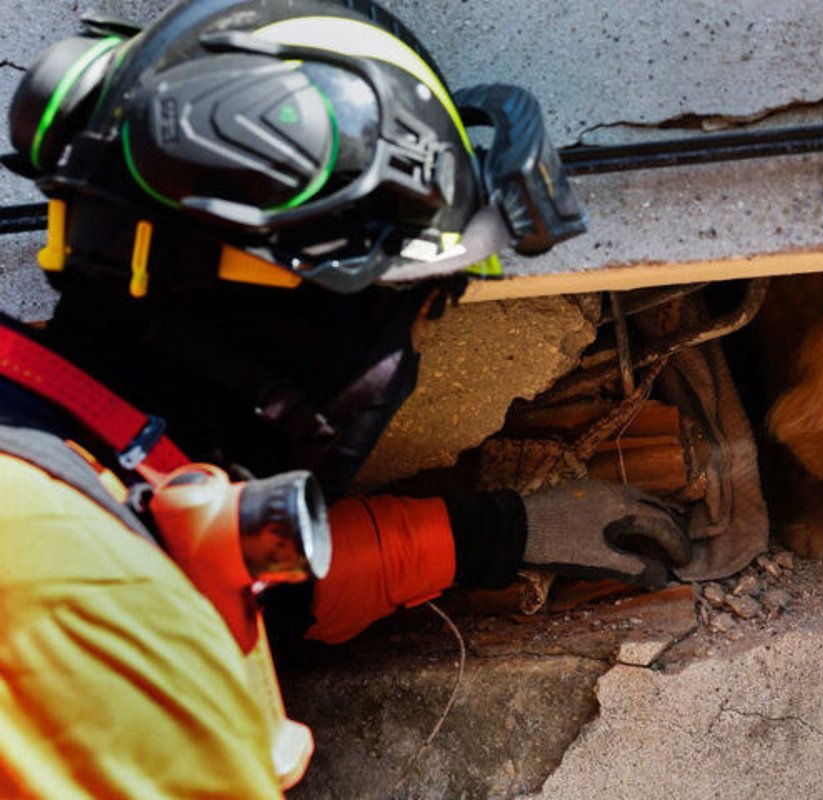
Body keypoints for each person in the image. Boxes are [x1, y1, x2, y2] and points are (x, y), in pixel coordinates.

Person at [0, 1, 691, 796]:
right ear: (321, 324)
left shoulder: (68, 475)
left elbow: (252, 580)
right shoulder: (95, 618)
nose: (411, 364)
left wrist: (491, 535)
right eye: (423, 317)